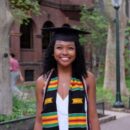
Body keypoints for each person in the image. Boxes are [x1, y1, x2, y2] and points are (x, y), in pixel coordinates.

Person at [34, 24, 100, 130]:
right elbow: (39, 121)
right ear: (52, 52)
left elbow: (93, 118)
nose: (64, 52)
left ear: (76, 52)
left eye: (70, 48)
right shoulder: (42, 82)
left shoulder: (87, 79)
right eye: (59, 48)